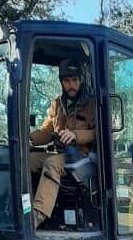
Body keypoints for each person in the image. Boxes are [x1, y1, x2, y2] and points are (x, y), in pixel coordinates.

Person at [29, 58, 96, 228]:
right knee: (26, 160)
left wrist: (75, 135)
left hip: (83, 156)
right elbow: (46, 131)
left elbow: (97, 133)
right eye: (67, 81)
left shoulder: (92, 104)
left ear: (80, 80)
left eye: (74, 80)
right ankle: (22, 208)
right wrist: (28, 137)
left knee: (52, 164)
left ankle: (38, 216)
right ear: (61, 82)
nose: (71, 85)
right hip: (62, 154)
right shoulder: (57, 105)